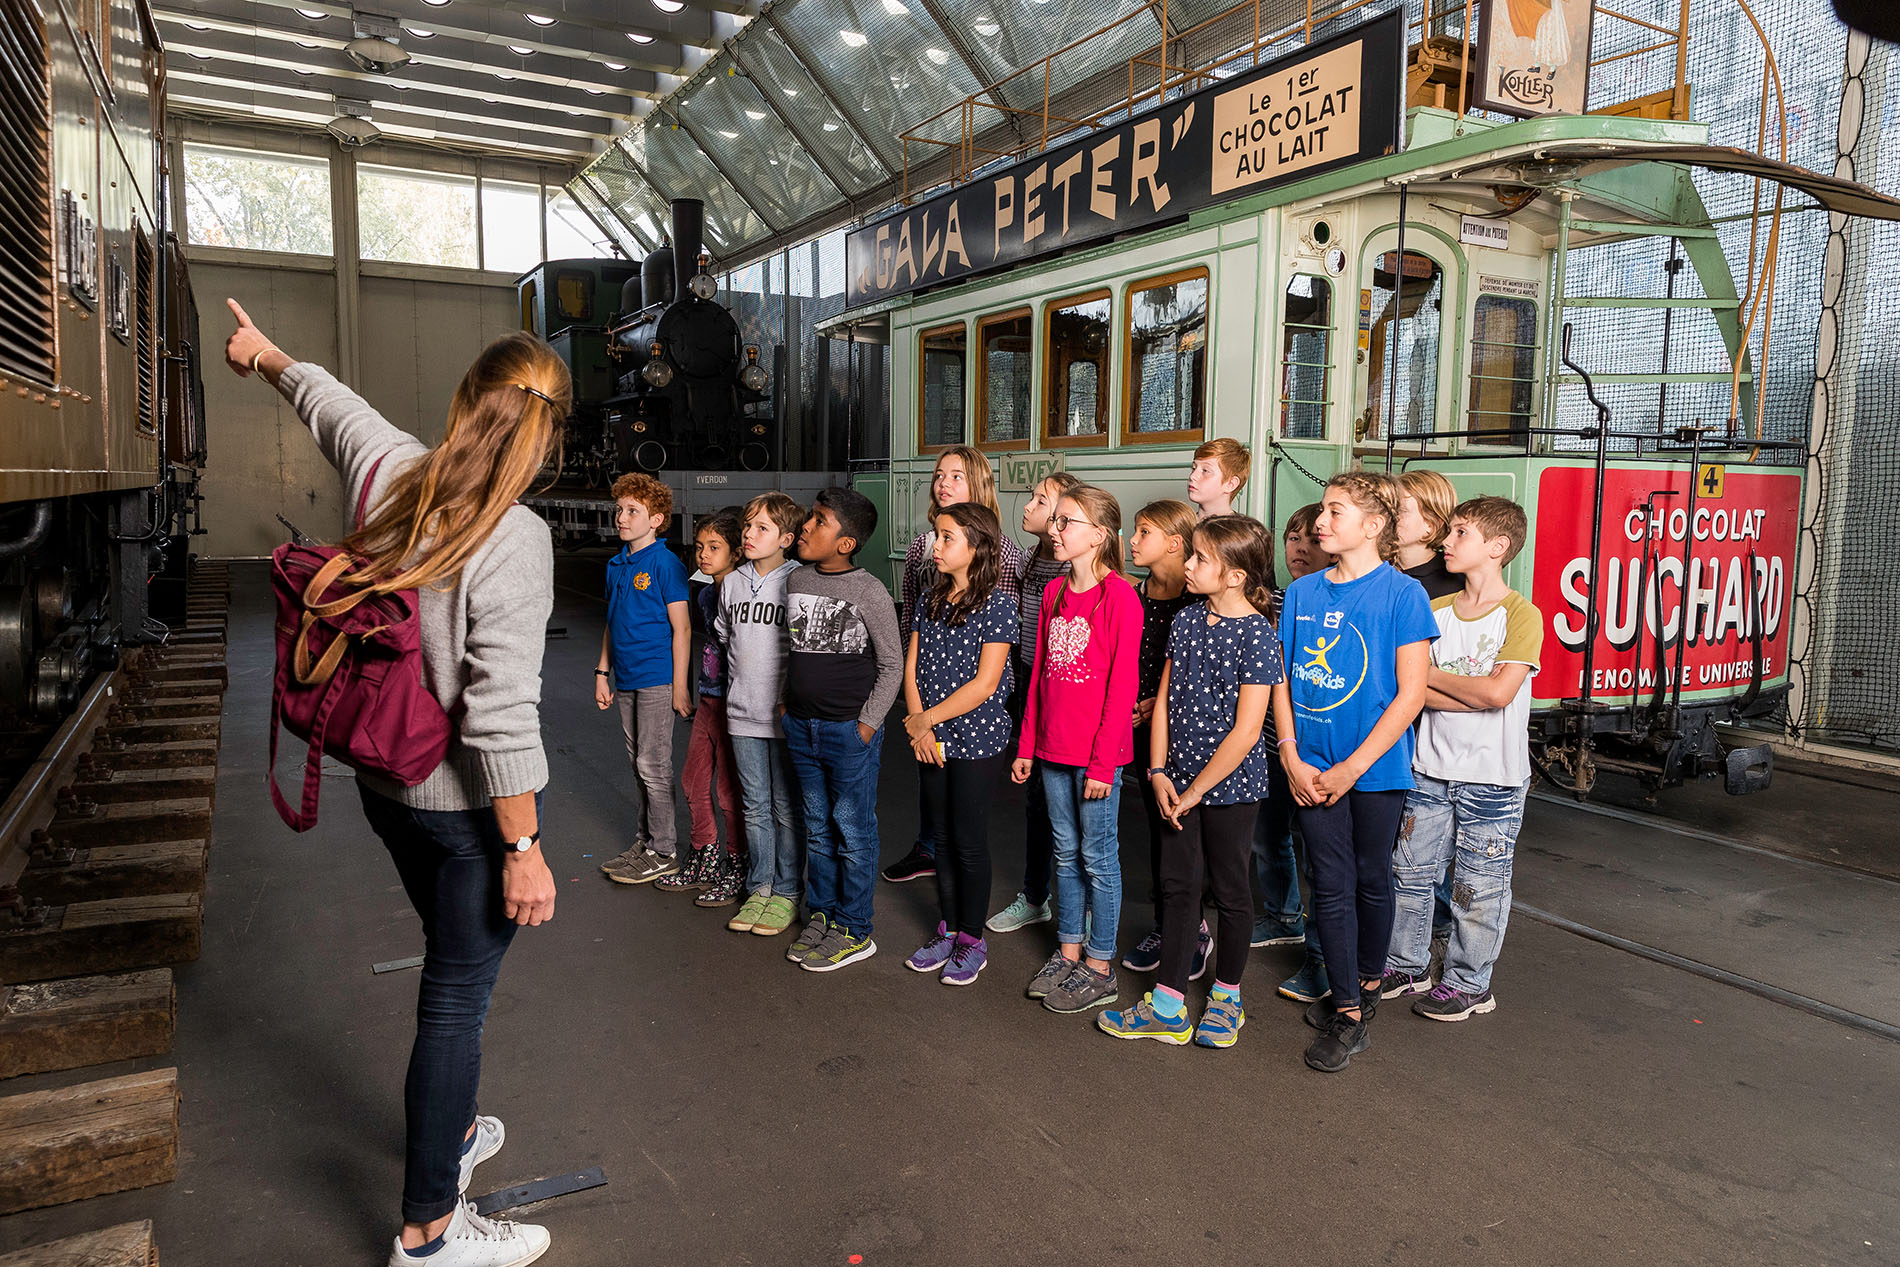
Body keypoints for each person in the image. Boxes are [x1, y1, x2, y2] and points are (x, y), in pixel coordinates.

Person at [226, 302, 559, 1266]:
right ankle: (429, 1230)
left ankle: (449, 1133)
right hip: (460, 816)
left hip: (384, 791)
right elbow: (499, 717)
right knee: (457, 998)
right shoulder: (516, 535)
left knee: (450, 967)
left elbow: (336, 407)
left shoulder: (395, 475)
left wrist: (267, 356)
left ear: (464, 402)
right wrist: (527, 850)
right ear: (546, 436)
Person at [1100, 516, 1285, 1048]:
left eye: (1200, 559)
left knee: (1230, 892)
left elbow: (1248, 731)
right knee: (1178, 889)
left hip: (1229, 789)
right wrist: (1157, 771)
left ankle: (1227, 998)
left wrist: (1197, 790)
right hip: (1174, 781)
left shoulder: (1257, 635)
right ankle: (1167, 1005)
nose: (1188, 566)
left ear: (1233, 575)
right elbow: (1161, 702)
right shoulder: (1184, 620)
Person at [1276, 471, 1437, 1074]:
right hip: (1310, 766)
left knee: (1373, 879)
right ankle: (1347, 1011)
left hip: (1373, 769)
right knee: (1330, 881)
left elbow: (1410, 695)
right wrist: (1292, 754)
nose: (1321, 521)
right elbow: (1283, 681)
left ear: (1373, 527)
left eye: (1335, 511)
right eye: (1322, 510)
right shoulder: (1302, 593)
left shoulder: (1402, 596)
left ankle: (1367, 984)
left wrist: (1352, 767)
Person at [1385, 496, 1542, 1020]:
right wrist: (1468, 688)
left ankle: (1470, 983)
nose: (1446, 543)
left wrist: (1427, 679)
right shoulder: (1434, 612)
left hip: (1492, 782)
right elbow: (1410, 690)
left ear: (1498, 547)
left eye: (1460, 534)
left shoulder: (1522, 614)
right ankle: (1406, 966)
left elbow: (1499, 696)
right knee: (1408, 874)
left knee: (1478, 889)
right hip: (1428, 770)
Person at [1015, 484, 1142, 1015]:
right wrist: (1027, 745)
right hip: (1051, 749)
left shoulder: (1121, 598)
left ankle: (1099, 965)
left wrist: (1104, 763)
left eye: (1067, 522)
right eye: (1056, 520)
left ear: (1100, 535)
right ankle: (1068, 953)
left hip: (1096, 758)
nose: (1054, 530)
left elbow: (1121, 690)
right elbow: (1041, 678)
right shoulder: (1052, 594)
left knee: (1098, 858)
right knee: (1064, 854)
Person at [884, 446, 1024, 883]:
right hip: (927, 675)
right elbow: (911, 613)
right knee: (932, 784)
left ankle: (950, 873)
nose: (944, 483)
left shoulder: (1003, 553)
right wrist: (914, 706)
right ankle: (928, 848)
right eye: (939, 475)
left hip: (973, 689)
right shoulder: (919, 548)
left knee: (964, 814)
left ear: (979, 485)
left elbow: (1000, 637)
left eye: (957, 476)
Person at [779, 488, 904, 971]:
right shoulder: (797, 581)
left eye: (819, 521)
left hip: (847, 735)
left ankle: (855, 928)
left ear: (846, 543)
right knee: (816, 828)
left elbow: (891, 665)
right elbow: (792, 652)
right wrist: (786, 708)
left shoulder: (869, 591)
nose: (806, 527)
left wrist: (867, 727)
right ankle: (823, 915)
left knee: (852, 831)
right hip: (802, 729)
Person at [902, 503, 1017, 985]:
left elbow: (985, 684)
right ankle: (947, 929)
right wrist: (921, 727)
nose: (936, 545)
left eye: (947, 537)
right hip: (931, 736)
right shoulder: (930, 597)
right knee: (942, 841)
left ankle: (972, 939)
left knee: (968, 841)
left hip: (975, 739)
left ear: (977, 547)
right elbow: (913, 668)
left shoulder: (998, 603)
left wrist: (924, 720)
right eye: (936, 535)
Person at [986, 470, 1080, 935]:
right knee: (1037, 799)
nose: (1028, 506)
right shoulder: (1026, 560)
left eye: (1040, 501)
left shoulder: (1072, 569)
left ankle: (1078, 907)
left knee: (1068, 801)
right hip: (1029, 680)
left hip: (1063, 686)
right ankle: (1036, 895)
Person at [1117, 499, 1206, 977]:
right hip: (1136, 731)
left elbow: (1206, 678)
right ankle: (1166, 923)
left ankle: (1192, 930)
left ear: (1174, 543)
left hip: (1182, 731)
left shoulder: (1198, 603)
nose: (1132, 541)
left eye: (1143, 532)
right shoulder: (1133, 595)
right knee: (1156, 831)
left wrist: (1158, 703)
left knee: (1184, 834)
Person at [595, 472, 693, 885]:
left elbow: (682, 628)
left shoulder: (665, 563)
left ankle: (665, 849)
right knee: (638, 765)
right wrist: (603, 672)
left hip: (656, 677)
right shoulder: (617, 563)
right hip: (627, 678)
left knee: (653, 765)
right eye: (619, 509)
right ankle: (646, 841)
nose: (621, 517)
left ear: (655, 519)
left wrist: (680, 685)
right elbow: (612, 622)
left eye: (632, 511)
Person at [719, 492, 807, 937]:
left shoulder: (798, 581)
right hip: (741, 712)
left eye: (762, 528)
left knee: (786, 807)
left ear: (787, 539)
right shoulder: (731, 584)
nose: (749, 535)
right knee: (754, 805)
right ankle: (761, 888)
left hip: (784, 716)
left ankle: (788, 892)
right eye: (747, 527)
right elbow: (724, 640)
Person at [655, 509, 748, 907]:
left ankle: (738, 864)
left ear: (737, 552)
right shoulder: (708, 592)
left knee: (730, 790)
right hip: (709, 697)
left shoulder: (741, 593)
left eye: (714, 548)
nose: (703, 555)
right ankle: (704, 855)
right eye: (699, 547)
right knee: (694, 780)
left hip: (735, 704)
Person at [1395, 469, 1462, 601]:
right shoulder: (1373, 568)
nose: (1389, 516)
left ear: (1431, 525)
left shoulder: (1454, 585)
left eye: (1401, 510)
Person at [1186, 436, 1250, 518]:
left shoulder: (1244, 530)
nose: (1192, 476)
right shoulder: (1183, 527)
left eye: (1205, 471)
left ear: (1230, 484)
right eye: (1193, 468)